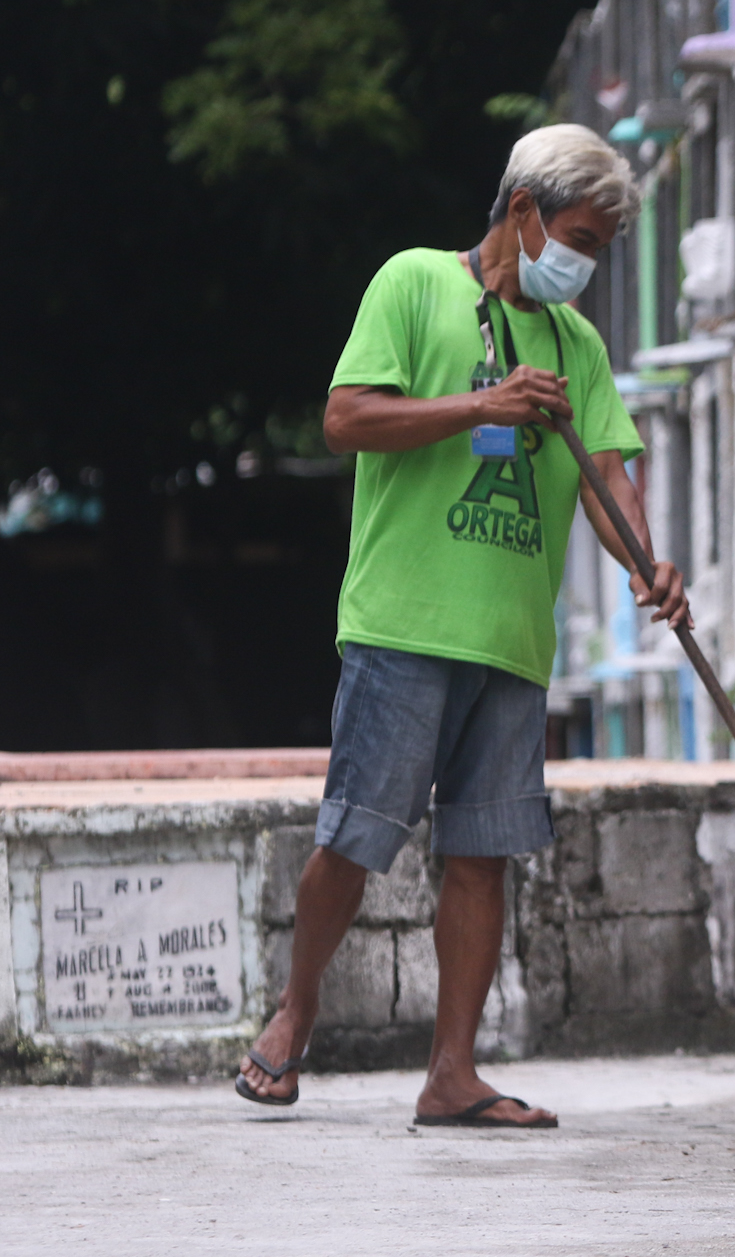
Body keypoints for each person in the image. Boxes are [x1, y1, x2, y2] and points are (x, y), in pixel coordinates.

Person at [235, 125, 688, 1127]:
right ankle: (294, 1015)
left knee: (482, 854)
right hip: (404, 624)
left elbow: (610, 475)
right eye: (579, 235)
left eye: (602, 247)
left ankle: (452, 1072)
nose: (586, 262)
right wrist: (481, 401)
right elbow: (347, 419)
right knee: (353, 839)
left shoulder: (577, 346)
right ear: (522, 211)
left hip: (513, 644)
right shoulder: (412, 283)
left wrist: (647, 564)